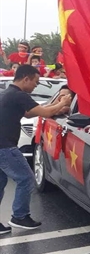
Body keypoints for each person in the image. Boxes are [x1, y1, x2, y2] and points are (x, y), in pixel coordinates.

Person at [0, 65, 72, 233]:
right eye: (35, 82)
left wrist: (56, 106)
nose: (35, 86)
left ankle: (18, 216)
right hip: (5, 147)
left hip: (2, 145)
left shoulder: (9, 94)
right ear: (26, 78)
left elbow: (29, 113)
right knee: (26, 178)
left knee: (1, 183)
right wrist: (62, 102)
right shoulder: (19, 95)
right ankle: (20, 216)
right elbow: (45, 113)